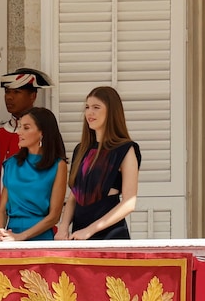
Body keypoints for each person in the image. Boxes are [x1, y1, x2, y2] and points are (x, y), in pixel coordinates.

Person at [56, 86, 141, 240]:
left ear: (111, 111)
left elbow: (129, 202)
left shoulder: (126, 149)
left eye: (96, 107)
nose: (90, 112)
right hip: (79, 234)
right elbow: (74, 197)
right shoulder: (80, 150)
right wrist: (63, 227)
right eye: (87, 107)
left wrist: (90, 230)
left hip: (110, 236)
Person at [0, 68, 55, 225]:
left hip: (32, 220)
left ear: (33, 96)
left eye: (17, 92)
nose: (9, 97)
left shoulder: (42, 135)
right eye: (7, 92)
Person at [0, 107, 67, 241]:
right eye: (20, 127)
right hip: (10, 238)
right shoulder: (11, 164)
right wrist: (0, 233)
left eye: (26, 128)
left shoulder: (58, 165)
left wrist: (20, 237)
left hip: (41, 239)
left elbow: (54, 216)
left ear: (42, 133)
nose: (19, 132)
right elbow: (2, 210)